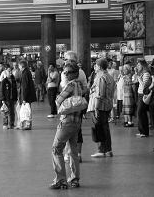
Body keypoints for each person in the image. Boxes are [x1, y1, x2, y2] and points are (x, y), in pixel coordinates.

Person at [49, 62, 82, 190]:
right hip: (76, 121)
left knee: (56, 149)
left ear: (75, 73)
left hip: (67, 121)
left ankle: (61, 180)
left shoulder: (70, 85)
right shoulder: (78, 85)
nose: (66, 74)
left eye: (69, 72)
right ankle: (74, 179)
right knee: (73, 151)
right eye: (65, 72)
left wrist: (60, 95)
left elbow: (57, 100)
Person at [87, 58, 115, 158]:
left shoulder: (100, 77)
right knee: (105, 127)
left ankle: (101, 149)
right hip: (107, 105)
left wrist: (96, 108)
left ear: (99, 66)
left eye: (95, 65)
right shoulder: (110, 76)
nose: (94, 67)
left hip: (100, 106)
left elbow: (100, 94)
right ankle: (108, 149)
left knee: (100, 127)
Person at [134, 60, 152, 137]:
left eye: (139, 65)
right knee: (142, 113)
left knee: (140, 112)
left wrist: (138, 77)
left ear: (143, 66)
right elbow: (134, 81)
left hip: (143, 94)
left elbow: (145, 85)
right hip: (140, 94)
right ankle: (142, 131)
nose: (137, 67)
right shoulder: (141, 74)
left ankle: (144, 131)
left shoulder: (146, 74)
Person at [18, 60, 37, 130]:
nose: (18, 67)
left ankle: (27, 125)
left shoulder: (25, 74)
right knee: (26, 110)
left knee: (26, 111)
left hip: (26, 96)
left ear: (22, 66)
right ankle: (25, 124)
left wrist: (24, 98)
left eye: (19, 66)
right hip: (27, 95)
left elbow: (25, 87)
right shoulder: (27, 72)